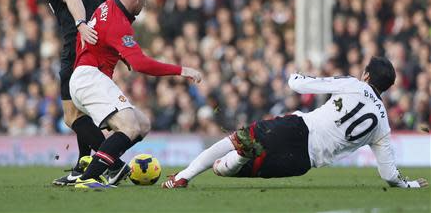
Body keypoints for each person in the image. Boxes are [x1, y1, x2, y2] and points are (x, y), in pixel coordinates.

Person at [162, 57, 428, 189]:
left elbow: (300, 86)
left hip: (297, 129)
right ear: (388, 88)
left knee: (230, 146)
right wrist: (409, 185)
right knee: (226, 170)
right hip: (301, 162)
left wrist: (294, 74)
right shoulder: (383, 125)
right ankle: (242, 156)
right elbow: (389, 175)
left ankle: (183, 177)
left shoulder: (353, 85)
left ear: (366, 74)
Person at [69, 0, 202, 189]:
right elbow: (141, 64)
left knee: (142, 124)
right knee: (130, 127)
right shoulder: (119, 23)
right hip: (91, 77)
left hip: (85, 77)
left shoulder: (108, 5)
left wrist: (120, 56)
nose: (145, 5)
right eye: (146, 0)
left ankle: (110, 171)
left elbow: (103, 39)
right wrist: (181, 70)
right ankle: (88, 178)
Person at [20, 0, 126, 186]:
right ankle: (84, 165)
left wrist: (81, 24)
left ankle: (115, 165)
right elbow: (114, 1)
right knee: (82, 108)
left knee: (71, 116)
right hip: (98, 49)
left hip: (77, 46)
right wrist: (122, 42)